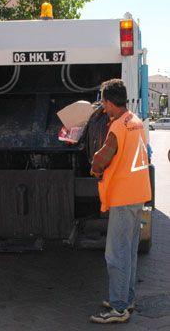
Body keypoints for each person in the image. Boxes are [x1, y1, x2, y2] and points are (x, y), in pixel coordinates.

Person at [89, 79, 151, 324]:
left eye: (103, 102)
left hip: (123, 196)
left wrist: (95, 167)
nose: (103, 108)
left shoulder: (117, 127)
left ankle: (118, 308)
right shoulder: (134, 121)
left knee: (116, 254)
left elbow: (102, 157)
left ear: (110, 102)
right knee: (129, 252)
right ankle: (127, 298)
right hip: (138, 193)